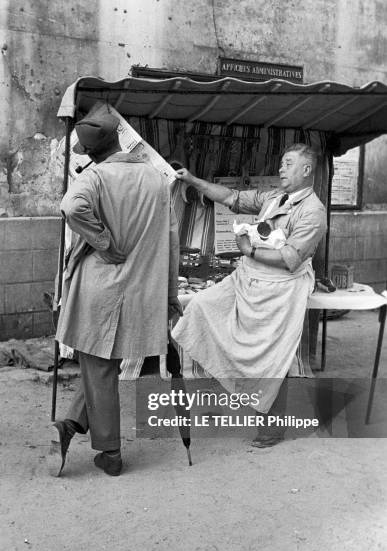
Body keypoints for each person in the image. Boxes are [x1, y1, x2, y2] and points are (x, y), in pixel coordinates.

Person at [49, 103, 181, 476]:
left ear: (90, 152)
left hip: (100, 288)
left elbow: (71, 209)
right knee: (103, 364)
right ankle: (71, 424)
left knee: (99, 366)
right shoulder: (156, 179)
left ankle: (110, 453)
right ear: (118, 141)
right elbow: (170, 243)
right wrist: (170, 294)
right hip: (140, 289)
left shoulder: (94, 178)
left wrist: (103, 242)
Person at [172, 143, 327, 447]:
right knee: (202, 305)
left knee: (272, 359)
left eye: (288, 163)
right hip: (248, 278)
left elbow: (291, 256)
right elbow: (230, 197)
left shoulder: (313, 211)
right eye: (281, 163)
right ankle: (231, 388)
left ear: (306, 170)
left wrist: (250, 249)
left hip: (281, 290)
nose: (281, 168)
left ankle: (270, 430)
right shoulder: (272, 197)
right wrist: (191, 179)